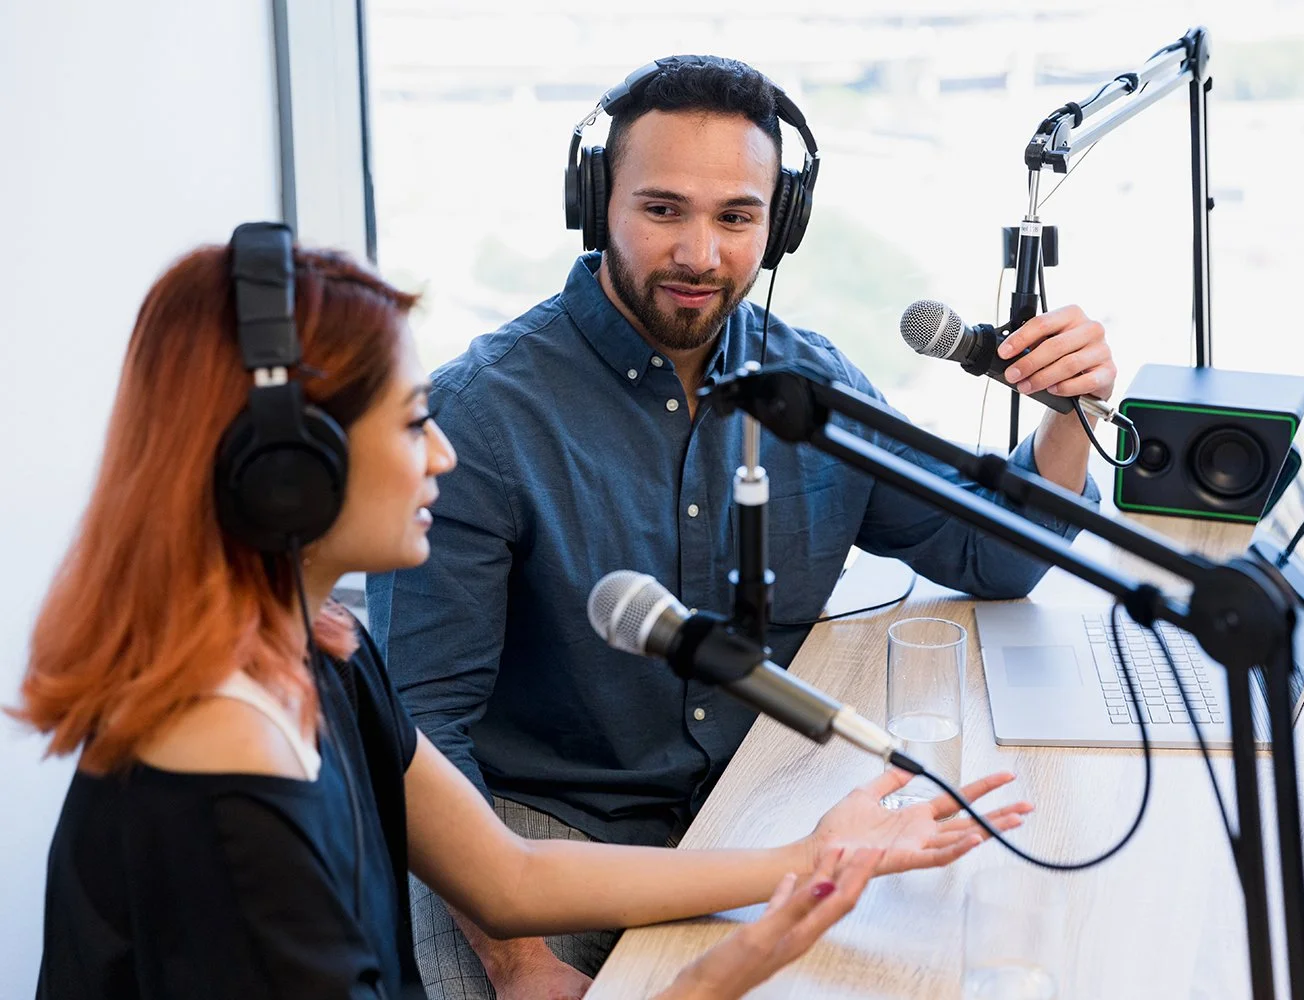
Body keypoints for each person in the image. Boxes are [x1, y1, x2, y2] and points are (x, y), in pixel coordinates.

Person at [13, 233, 1034, 999]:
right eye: (413, 425)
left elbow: (508, 875)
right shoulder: (224, 775)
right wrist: (729, 967)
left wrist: (807, 861)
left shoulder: (317, 652)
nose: (443, 455)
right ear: (287, 474)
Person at [366, 55, 1114, 996]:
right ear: (598, 203)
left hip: (751, 821)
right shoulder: (480, 416)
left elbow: (989, 555)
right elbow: (416, 732)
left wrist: (1066, 409)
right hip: (534, 849)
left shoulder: (813, 384)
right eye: (663, 209)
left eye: (736, 217)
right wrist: (515, 960)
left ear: (781, 224)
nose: (700, 255)